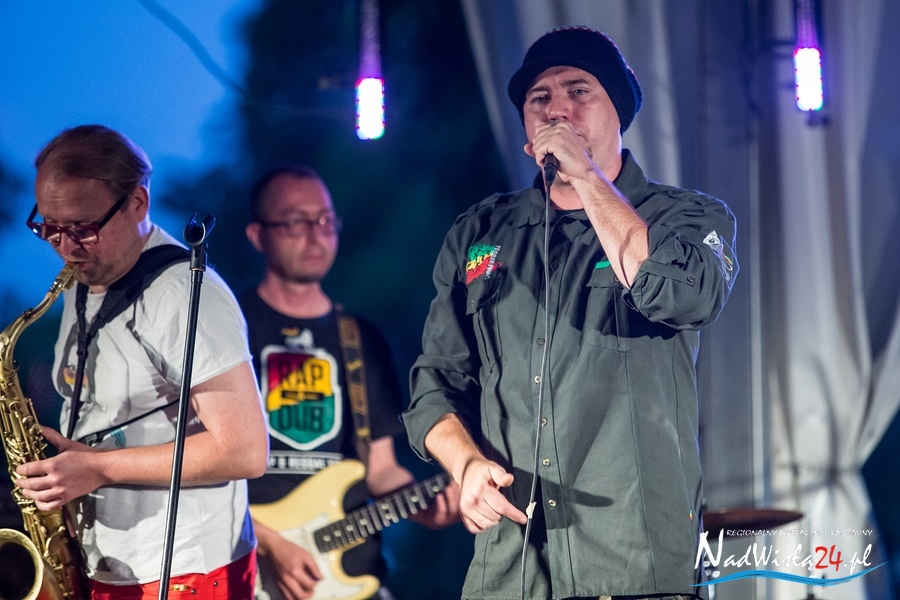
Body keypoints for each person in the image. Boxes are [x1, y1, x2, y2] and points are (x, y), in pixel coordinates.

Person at [402, 25, 739, 600]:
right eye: (539, 97)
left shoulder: (686, 217)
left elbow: (687, 296)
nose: (556, 109)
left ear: (618, 110)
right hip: (509, 572)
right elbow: (436, 382)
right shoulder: (480, 233)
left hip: (633, 569)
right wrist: (464, 464)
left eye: (579, 91)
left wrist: (586, 176)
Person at [15, 124, 269, 598]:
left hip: (186, 572)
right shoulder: (82, 278)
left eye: (82, 228)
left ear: (137, 202)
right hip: (107, 563)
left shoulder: (184, 295)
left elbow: (246, 450)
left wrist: (100, 468)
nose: (65, 246)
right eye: (48, 227)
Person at [240, 165, 459, 600]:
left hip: (351, 575)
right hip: (250, 567)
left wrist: (426, 506)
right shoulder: (229, 328)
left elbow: (380, 469)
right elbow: (199, 468)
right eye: (295, 222)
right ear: (257, 235)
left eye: (325, 220)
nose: (315, 235)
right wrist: (269, 542)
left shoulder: (361, 338)